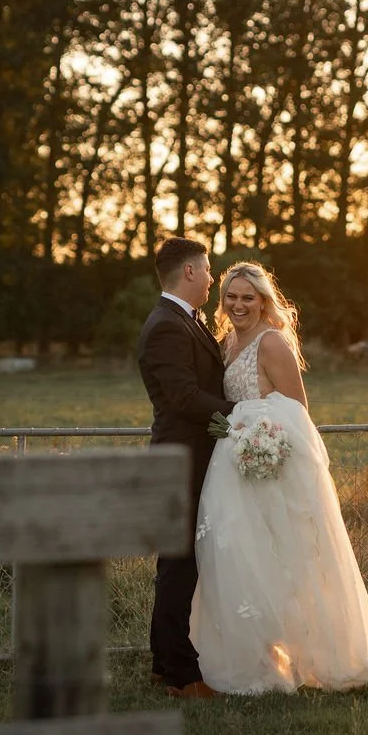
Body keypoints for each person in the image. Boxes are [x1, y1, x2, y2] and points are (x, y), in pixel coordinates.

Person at [191, 261, 368, 694]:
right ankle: (260, 658)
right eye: (231, 296)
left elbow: (297, 411)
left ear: (264, 301)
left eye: (248, 297)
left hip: (271, 466)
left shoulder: (272, 343)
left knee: (286, 562)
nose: (239, 304)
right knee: (243, 559)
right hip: (233, 467)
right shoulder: (226, 343)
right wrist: (237, 432)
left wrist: (260, 439)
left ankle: (309, 656)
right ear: (221, 300)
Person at [136, 236, 236, 699]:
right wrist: (245, 414)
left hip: (194, 459)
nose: (213, 278)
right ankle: (180, 673)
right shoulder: (166, 325)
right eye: (209, 269)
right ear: (190, 272)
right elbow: (183, 398)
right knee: (178, 569)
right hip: (180, 462)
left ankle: (163, 665)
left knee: (180, 567)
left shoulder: (185, 319)